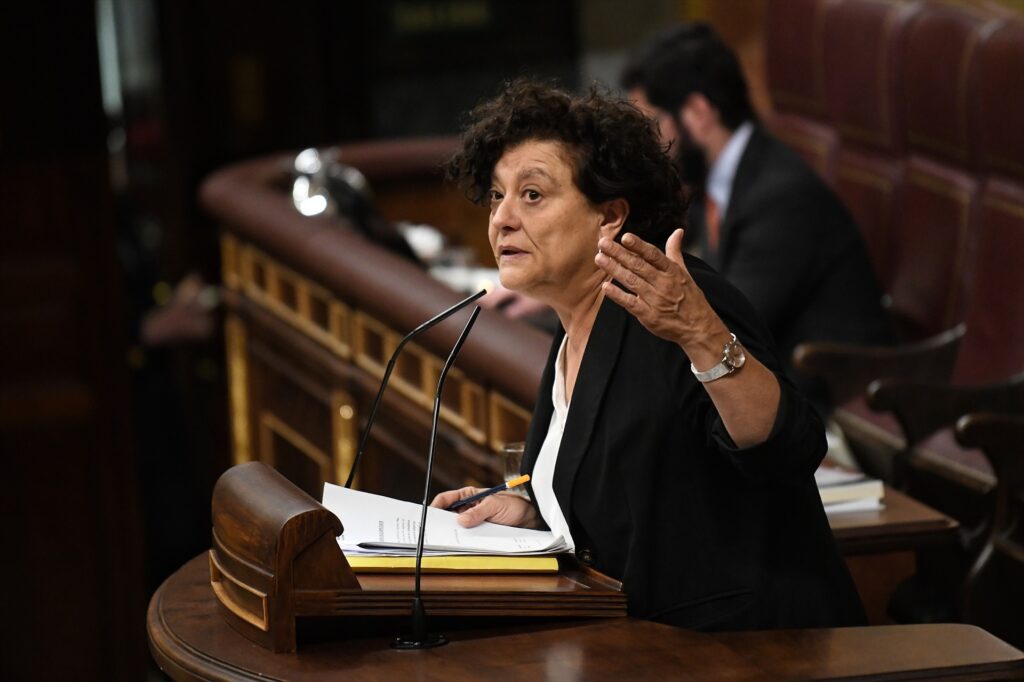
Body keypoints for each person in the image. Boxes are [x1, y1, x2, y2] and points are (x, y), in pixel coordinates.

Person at [432, 80, 865, 631]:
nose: (502, 219)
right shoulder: (574, 332)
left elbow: (786, 450)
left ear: (610, 216)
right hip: (647, 646)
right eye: (497, 195)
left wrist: (702, 334)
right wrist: (534, 514)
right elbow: (635, 500)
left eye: (532, 195)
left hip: (749, 652)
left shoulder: (682, 304)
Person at [621, 23, 892, 414]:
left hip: (836, 412)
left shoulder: (781, 198)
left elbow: (725, 324)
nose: (653, 145)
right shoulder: (712, 184)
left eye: (654, 123)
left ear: (697, 113)